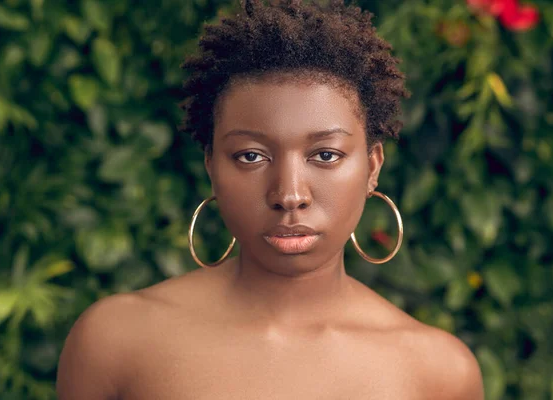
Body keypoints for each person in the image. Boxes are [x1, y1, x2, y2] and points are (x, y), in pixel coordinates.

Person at [56, 0, 485, 399]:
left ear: (372, 167)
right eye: (251, 156)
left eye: (325, 155)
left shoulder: (439, 373)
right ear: (211, 166)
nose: (290, 195)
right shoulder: (115, 341)